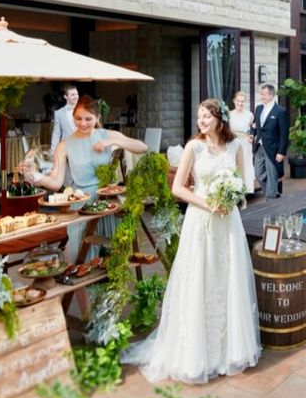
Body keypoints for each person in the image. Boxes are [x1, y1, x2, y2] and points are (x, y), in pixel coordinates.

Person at [122, 99, 261, 382]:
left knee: (228, 277)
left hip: (228, 222)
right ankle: (197, 354)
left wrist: (233, 199)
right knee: (200, 277)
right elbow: (177, 188)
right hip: (201, 219)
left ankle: (231, 349)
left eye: (206, 116)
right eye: (199, 116)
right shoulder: (193, 147)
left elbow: (243, 184)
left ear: (220, 119)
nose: (201, 121)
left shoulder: (235, 146)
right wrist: (208, 203)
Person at [28, 95, 147, 262]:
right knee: (82, 256)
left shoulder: (107, 135)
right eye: (78, 118)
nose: (83, 123)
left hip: (108, 201)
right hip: (82, 202)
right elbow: (56, 182)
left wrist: (113, 142)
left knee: (114, 256)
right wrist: (37, 177)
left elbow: (142, 147)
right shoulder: (64, 145)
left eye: (88, 119)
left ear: (97, 118)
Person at [253, 83, 289, 201]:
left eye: (264, 94)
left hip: (273, 148)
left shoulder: (280, 111)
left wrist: (281, 152)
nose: (262, 96)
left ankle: (271, 199)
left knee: (272, 174)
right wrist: (252, 134)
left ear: (272, 95)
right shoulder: (258, 108)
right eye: (261, 94)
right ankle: (273, 192)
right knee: (258, 174)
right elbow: (255, 125)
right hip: (259, 146)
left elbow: (284, 134)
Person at [229, 91, 255, 194]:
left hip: (245, 144)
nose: (240, 103)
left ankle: (246, 189)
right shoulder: (229, 114)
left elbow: (254, 128)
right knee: (233, 164)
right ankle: (234, 189)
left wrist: (252, 135)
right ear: (234, 101)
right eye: (238, 101)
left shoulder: (249, 115)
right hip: (233, 142)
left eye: (242, 101)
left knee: (245, 164)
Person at [50, 84, 79, 154]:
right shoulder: (58, 113)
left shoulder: (84, 110)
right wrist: (53, 151)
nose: (76, 97)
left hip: (82, 148)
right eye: (73, 95)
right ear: (65, 96)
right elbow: (56, 133)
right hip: (66, 149)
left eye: (77, 94)